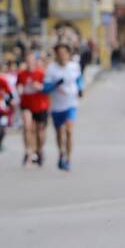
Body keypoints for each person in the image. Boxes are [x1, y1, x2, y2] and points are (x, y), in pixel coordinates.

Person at [44, 43, 83, 171]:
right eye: (60, 54)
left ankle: (69, 159)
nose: (62, 56)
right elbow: (45, 89)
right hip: (57, 107)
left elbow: (79, 79)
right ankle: (61, 153)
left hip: (71, 104)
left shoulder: (74, 66)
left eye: (64, 53)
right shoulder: (51, 69)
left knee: (69, 131)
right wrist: (56, 84)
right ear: (56, 55)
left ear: (68, 54)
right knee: (59, 132)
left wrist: (80, 88)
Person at [16, 52, 48, 167]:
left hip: (40, 105)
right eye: (27, 61)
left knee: (40, 132)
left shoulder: (41, 73)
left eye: (32, 61)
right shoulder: (21, 74)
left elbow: (47, 88)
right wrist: (19, 89)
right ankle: (27, 151)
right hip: (27, 105)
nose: (30, 63)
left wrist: (39, 86)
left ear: (35, 61)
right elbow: (18, 85)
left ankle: (39, 151)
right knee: (27, 126)